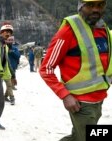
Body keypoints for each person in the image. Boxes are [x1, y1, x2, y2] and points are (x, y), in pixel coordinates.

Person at [39, 0, 112, 141]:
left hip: (99, 99)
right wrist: (65, 96)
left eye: (100, 5)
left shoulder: (103, 30)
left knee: (77, 137)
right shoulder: (68, 30)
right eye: (90, 5)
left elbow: (103, 62)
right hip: (80, 104)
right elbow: (46, 68)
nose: (96, 9)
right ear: (81, 6)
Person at [3, 36, 20, 105]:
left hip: (12, 68)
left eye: (11, 40)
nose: (10, 41)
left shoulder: (15, 49)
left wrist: (11, 52)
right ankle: (11, 97)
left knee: (10, 84)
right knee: (8, 84)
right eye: (9, 40)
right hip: (3, 69)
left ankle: (5, 96)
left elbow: (18, 56)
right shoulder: (3, 48)